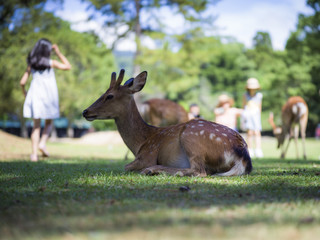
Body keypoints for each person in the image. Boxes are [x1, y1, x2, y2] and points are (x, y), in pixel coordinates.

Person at [20, 38, 71, 161]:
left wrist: (25, 93)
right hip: (49, 96)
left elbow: (22, 82)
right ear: (47, 50)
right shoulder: (51, 63)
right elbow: (68, 66)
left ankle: (34, 155)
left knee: (36, 126)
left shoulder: (31, 64)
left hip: (35, 95)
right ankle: (42, 143)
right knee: (48, 123)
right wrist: (58, 52)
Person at [242, 77, 263, 158]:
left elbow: (259, 107)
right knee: (249, 132)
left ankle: (258, 150)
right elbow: (244, 106)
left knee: (257, 132)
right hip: (248, 115)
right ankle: (250, 149)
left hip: (256, 115)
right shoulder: (245, 95)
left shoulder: (259, 95)